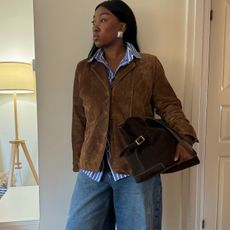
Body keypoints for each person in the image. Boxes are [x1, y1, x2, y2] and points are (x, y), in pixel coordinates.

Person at [66, 1, 198, 230]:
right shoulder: (84, 69)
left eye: (103, 20)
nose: (95, 27)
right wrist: (80, 160)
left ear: (122, 26)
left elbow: (168, 105)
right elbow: (79, 118)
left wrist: (185, 137)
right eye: (93, 22)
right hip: (92, 171)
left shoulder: (148, 65)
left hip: (136, 169)